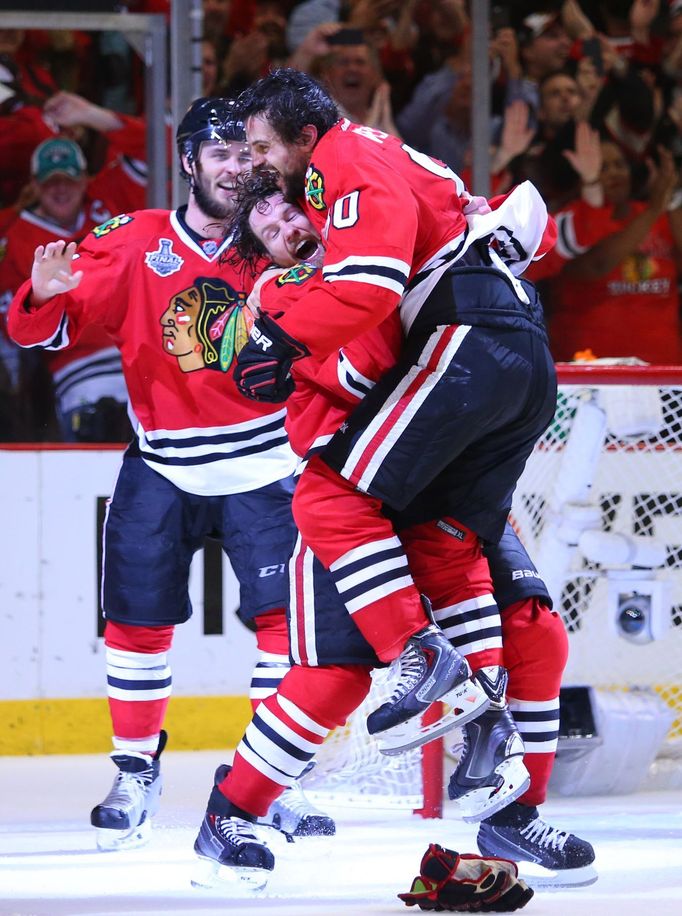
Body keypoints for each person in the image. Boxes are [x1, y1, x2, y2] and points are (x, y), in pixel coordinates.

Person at [231, 67, 595, 885]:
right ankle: (234, 812)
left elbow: (380, 295)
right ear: (265, 258)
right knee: (332, 671)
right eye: (276, 226)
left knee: (534, 629)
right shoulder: (295, 278)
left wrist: (282, 347)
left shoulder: (351, 185)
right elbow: (335, 377)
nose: (294, 219)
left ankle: (510, 811)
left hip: (445, 403)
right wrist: (278, 342)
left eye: (290, 200)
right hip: (394, 463)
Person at [5, 97, 333, 851]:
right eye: (218, 155)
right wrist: (43, 296)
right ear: (188, 164)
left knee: (284, 630)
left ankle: (268, 781)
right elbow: (36, 327)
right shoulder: (129, 241)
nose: (236, 168)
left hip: (267, 464)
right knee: (135, 623)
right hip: (163, 464)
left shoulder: (287, 235)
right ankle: (135, 773)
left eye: (248, 154)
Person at [0, 136, 127, 442]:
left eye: (68, 180)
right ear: (34, 185)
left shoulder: (107, 207)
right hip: (77, 369)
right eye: (50, 183)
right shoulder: (17, 239)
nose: (60, 190)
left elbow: (163, 143)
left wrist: (96, 118)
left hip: (132, 353)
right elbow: (13, 329)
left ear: (84, 180)